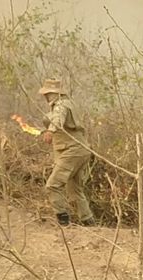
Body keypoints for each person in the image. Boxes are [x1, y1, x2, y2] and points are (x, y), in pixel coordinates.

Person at [39, 78, 95, 226]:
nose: (45, 97)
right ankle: (89, 222)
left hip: (73, 151)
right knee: (75, 190)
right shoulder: (67, 103)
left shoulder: (61, 105)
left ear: (53, 94)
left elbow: (58, 119)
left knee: (52, 185)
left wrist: (50, 131)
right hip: (81, 149)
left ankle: (63, 222)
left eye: (47, 94)